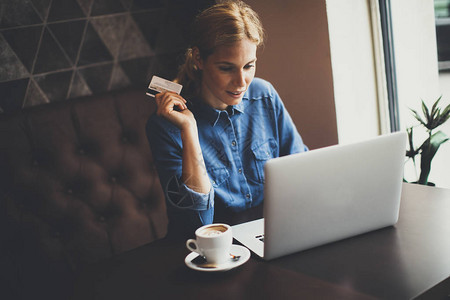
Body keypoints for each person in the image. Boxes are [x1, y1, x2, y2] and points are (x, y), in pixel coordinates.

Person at [146, 0, 308, 236]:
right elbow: (197, 225)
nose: (241, 82)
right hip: (209, 247)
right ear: (199, 59)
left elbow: (300, 171)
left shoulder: (264, 96)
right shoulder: (166, 127)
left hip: (269, 234)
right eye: (226, 68)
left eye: (248, 66)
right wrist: (189, 130)